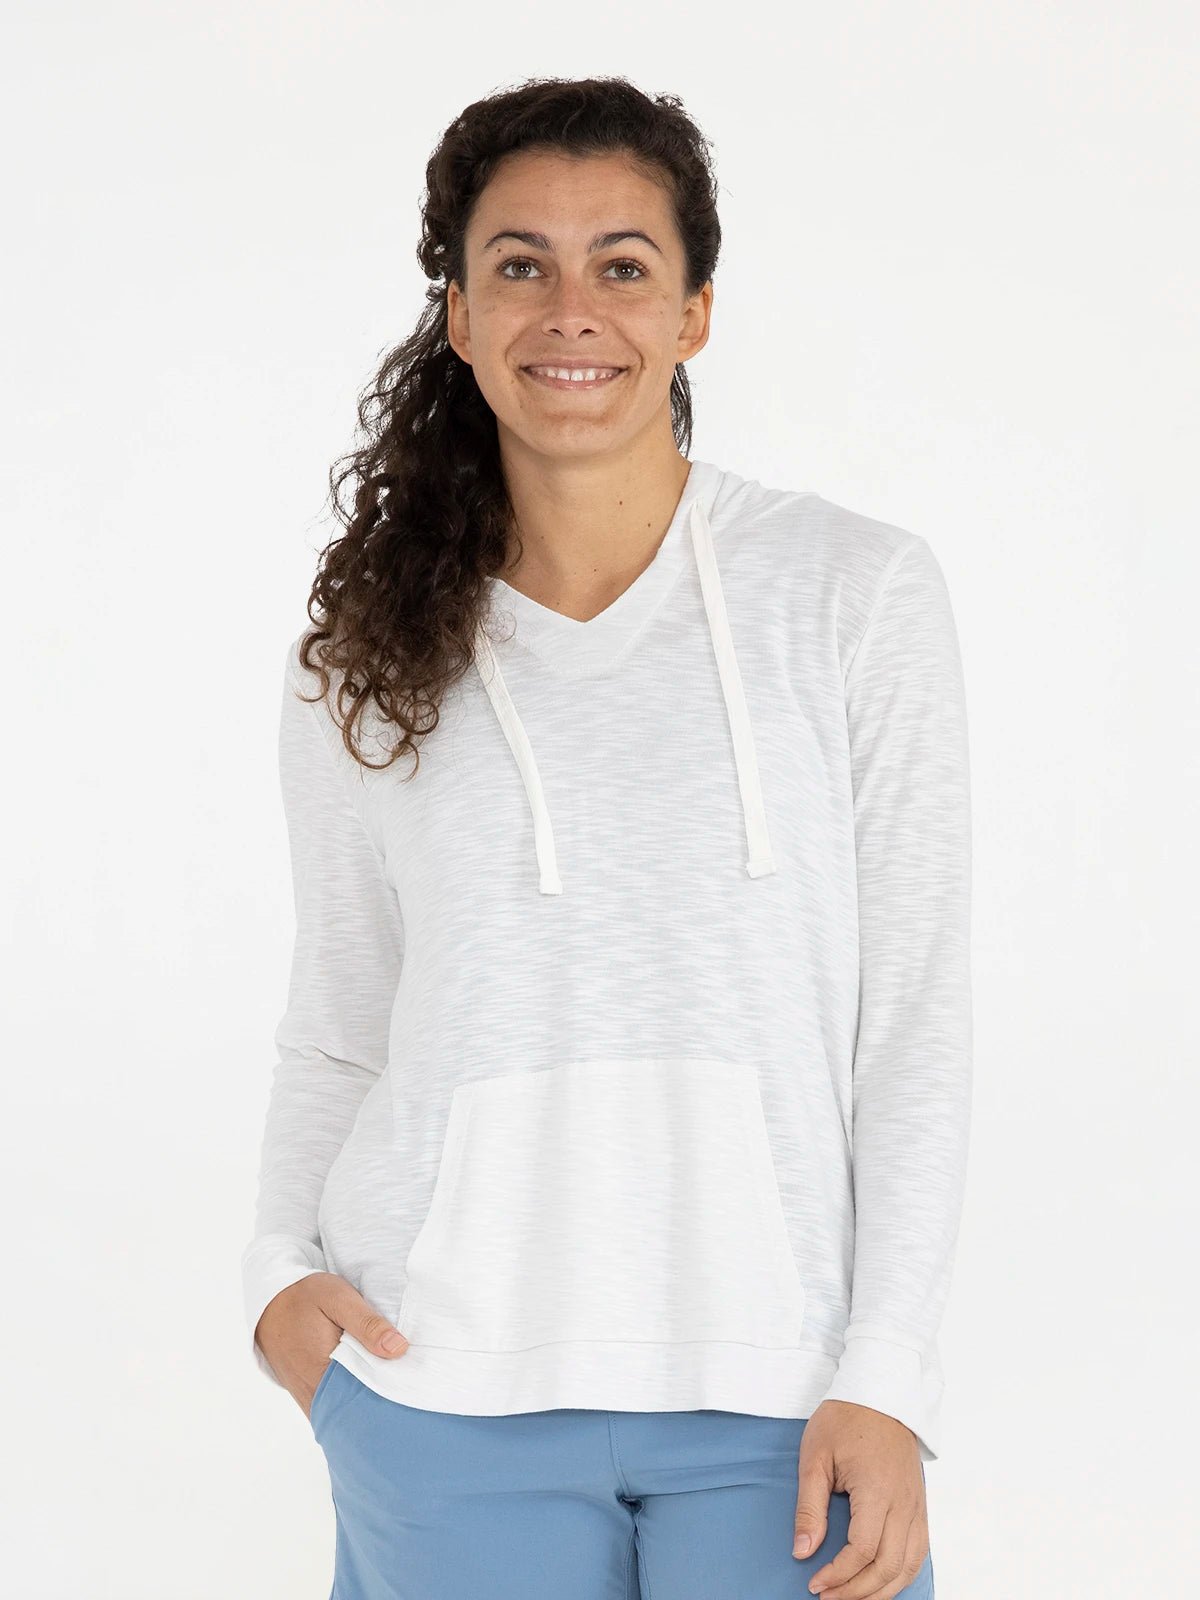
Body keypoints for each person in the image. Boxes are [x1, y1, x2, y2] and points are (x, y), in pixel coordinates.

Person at [240, 74, 970, 1600]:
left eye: (623, 265)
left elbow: (912, 1020)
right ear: (459, 315)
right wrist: (277, 1283)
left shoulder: (852, 593)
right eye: (520, 264)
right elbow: (341, 1019)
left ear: (694, 312)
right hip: (437, 1392)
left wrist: (890, 1372)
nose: (571, 310)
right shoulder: (361, 653)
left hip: (789, 1402)